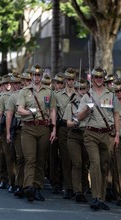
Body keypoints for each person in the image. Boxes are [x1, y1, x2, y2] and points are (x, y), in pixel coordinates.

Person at [77, 66, 120, 211]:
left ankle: (101, 197)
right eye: (96, 77)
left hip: (107, 134)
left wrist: (117, 135)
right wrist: (87, 109)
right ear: (93, 79)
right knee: (95, 163)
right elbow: (79, 117)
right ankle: (95, 197)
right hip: (91, 133)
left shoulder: (111, 95)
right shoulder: (87, 96)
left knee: (104, 165)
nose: (99, 80)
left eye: (101, 77)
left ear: (104, 79)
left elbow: (116, 115)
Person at [17, 64, 56, 202]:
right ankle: (28, 187)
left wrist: (54, 129)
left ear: (41, 76)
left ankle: (38, 187)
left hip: (44, 128)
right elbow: (20, 110)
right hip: (28, 128)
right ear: (31, 76)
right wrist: (29, 112)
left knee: (40, 159)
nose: (37, 77)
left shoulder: (48, 92)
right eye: (34, 75)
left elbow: (52, 110)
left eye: (39, 75)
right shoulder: (24, 91)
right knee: (30, 158)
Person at [63, 78, 89, 203]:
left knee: (85, 164)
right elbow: (68, 123)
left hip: (88, 135)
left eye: (84, 88)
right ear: (76, 90)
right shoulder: (71, 104)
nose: (82, 91)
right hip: (74, 135)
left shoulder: (92, 104)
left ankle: (85, 188)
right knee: (77, 163)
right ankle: (77, 191)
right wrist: (76, 121)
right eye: (80, 89)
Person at [55, 67, 76, 199]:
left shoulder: (81, 95)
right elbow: (52, 113)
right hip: (63, 128)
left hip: (76, 128)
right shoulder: (57, 95)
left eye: (73, 79)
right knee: (66, 158)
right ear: (65, 80)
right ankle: (68, 187)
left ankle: (80, 186)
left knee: (78, 160)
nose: (70, 81)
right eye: (68, 79)